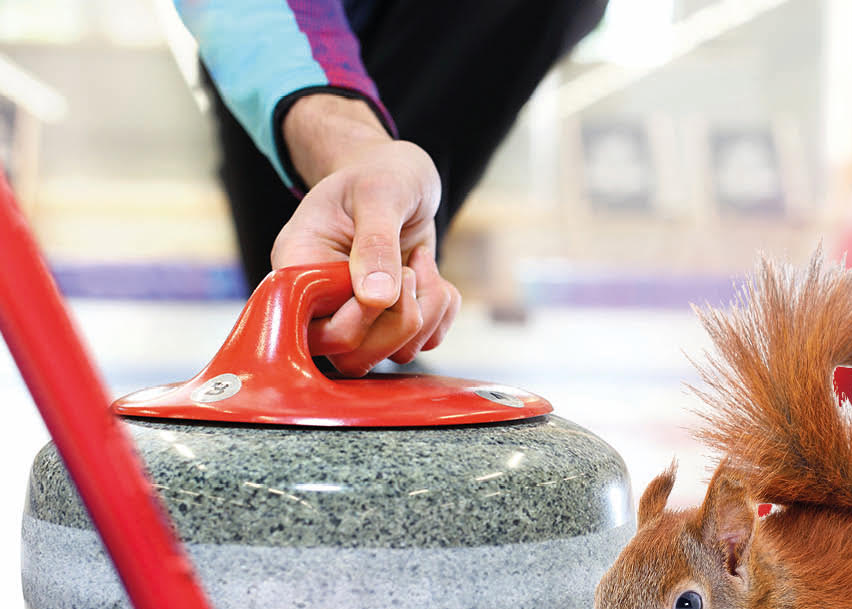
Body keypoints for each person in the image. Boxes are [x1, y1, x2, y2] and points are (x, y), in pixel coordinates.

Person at [173, 0, 607, 376]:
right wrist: (350, 143)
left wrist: (373, 164)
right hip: (280, 45)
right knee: (310, 328)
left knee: (343, 329)